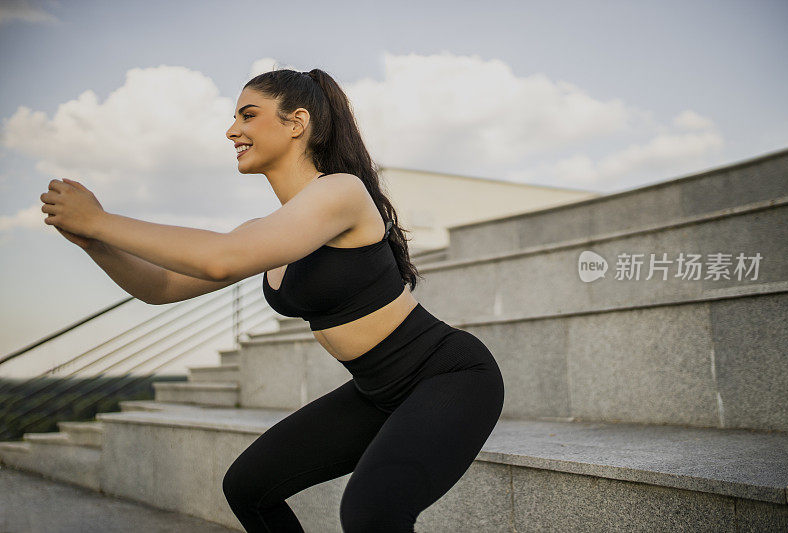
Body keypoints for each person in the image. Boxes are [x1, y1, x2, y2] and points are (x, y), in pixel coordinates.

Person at [43, 67, 505, 533]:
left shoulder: (341, 192)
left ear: (296, 122)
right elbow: (159, 288)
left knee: (373, 513)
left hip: (450, 376)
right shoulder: (268, 231)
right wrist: (93, 242)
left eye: (248, 115)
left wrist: (102, 221)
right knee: (248, 487)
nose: (232, 130)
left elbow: (220, 260)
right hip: (376, 391)